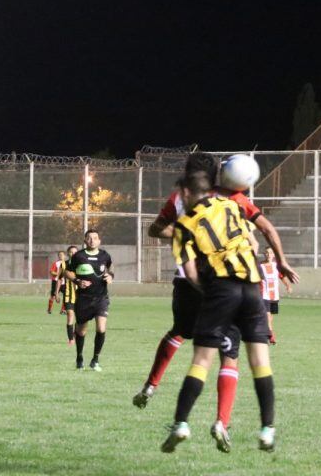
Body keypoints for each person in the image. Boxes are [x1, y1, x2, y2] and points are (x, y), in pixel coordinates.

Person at [161, 173, 284, 454]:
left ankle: (181, 423)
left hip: (222, 290)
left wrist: (209, 290)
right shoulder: (232, 207)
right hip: (252, 289)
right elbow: (253, 242)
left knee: (202, 360)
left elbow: (191, 273)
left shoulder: (185, 225)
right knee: (260, 362)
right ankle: (267, 429)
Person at [133, 153, 242, 452]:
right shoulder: (228, 200)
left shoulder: (178, 199)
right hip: (220, 281)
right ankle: (222, 420)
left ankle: (151, 386)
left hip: (185, 282)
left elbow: (154, 229)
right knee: (227, 354)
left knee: (179, 331)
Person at [64, 230, 113, 371]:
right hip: (84, 299)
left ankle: (95, 360)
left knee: (101, 328)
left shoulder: (105, 255)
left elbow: (111, 268)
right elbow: (67, 271)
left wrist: (110, 276)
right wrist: (77, 280)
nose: (92, 240)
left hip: (101, 298)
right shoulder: (79, 256)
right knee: (81, 331)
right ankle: (79, 357)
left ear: (99, 241)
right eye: (89, 238)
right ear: (85, 241)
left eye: (95, 238)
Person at [260, 247, 292, 344]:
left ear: (273, 255)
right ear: (264, 254)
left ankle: (266, 331)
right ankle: (270, 335)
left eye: (270, 253)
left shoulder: (276, 266)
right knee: (267, 315)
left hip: (274, 295)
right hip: (264, 295)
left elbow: (282, 277)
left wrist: (288, 285)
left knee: (270, 316)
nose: (268, 254)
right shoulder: (260, 266)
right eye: (266, 253)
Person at [55, 245, 79, 345]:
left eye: (75, 252)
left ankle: (76, 334)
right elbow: (59, 279)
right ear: (68, 253)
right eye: (71, 252)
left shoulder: (81, 264)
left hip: (80, 295)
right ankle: (71, 339)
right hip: (68, 294)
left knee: (81, 318)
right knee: (70, 314)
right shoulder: (63, 265)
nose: (73, 254)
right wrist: (56, 293)